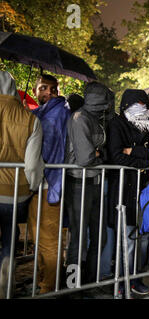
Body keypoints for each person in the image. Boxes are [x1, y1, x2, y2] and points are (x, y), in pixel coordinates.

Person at [106, 89, 149, 295]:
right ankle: (123, 282)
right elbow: (115, 156)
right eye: (136, 102)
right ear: (125, 104)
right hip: (125, 189)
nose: (140, 106)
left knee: (145, 238)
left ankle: (136, 278)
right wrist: (146, 160)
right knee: (128, 240)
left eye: (144, 102)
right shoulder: (117, 123)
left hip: (146, 190)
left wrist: (133, 151)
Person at [26, 74, 71, 295]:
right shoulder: (44, 112)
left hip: (50, 182)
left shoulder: (58, 113)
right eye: (42, 88)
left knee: (49, 240)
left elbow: (49, 146)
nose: (47, 92)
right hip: (39, 183)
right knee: (37, 238)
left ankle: (49, 287)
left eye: (51, 88)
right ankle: (44, 279)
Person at [0, 71, 44, 298]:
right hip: (14, 192)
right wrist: (33, 187)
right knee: (9, 234)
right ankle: (5, 271)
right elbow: (32, 164)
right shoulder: (30, 119)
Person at [65, 82, 113, 286]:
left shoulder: (95, 118)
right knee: (78, 240)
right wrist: (100, 155)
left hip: (94, 182)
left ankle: (90, 282)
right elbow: (85, 158)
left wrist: (98, 155)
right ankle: (71, 285)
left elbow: (98, 154)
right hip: (78, 183)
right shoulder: (80, 118)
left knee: (99, 236)